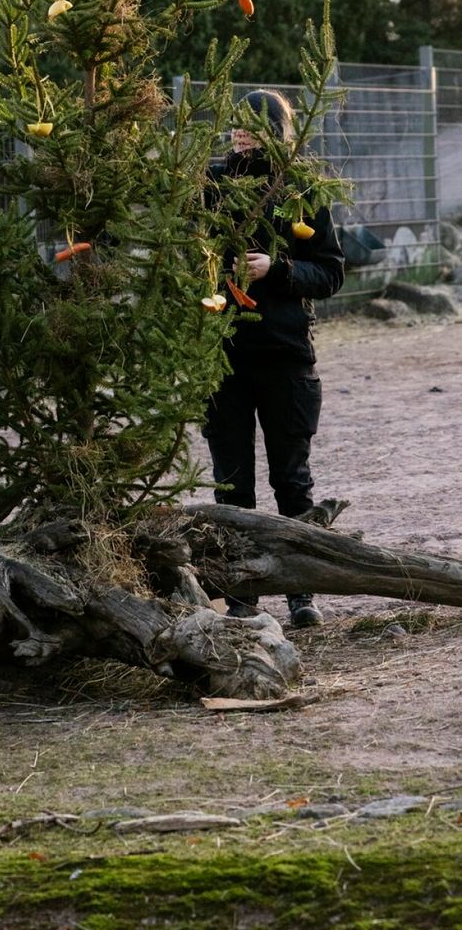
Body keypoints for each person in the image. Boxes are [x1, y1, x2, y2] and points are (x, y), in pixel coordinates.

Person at [204, 89, 345, 628]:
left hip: (285, 355)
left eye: (252, 126)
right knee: (231, 483)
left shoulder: (303, 190)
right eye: (236, 126)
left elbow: (330, 271)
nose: (240, 135)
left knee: (292, 479)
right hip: (222, 356)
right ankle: (241, 594)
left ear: (277, 131)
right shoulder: (210, 186)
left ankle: (300, 593)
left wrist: (278, 270)